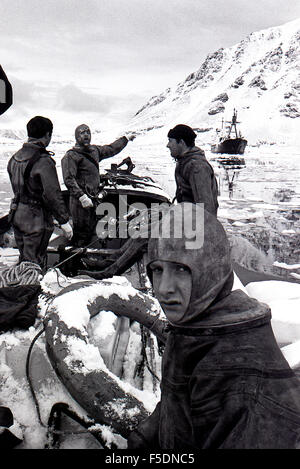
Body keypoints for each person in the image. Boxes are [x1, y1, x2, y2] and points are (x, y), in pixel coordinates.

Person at [128, 203, 300, 449]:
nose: (164, 288)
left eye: (181, 269)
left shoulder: (237, 369)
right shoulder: (197, 327)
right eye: (157, 269)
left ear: (210, 269)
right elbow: (179, 406)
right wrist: (144, 438)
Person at [7, 116, 73, 271]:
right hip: (35, 219)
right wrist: (64, 221)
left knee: (24, 258)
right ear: (48, 135)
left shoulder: (14, 158)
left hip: (17, 214)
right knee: (34, 264)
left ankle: (21, 285)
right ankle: (29, 291)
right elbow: (53, 194)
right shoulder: (43, 161)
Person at [61, 124, 135, 246]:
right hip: (80, 203)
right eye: (82, 132)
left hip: (94, 199)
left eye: (88, 132)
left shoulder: (94, 151)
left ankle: (88, 257)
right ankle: (73, 262)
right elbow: (69, 179)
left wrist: (125, 139)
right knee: (81, 234)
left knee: (91, 230)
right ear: (76, 136)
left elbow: (111, 149)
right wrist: (81, 196)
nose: (86, 135)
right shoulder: (71, 156)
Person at [167, 124, 219, 215]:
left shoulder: (197, 167)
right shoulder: (184, 162)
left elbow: (206, 208)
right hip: (189, 222)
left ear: (181, 143)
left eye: (170, 141)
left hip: (198, 225)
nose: (168, 145)